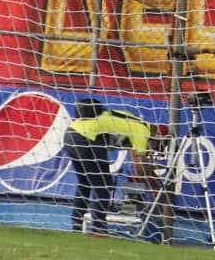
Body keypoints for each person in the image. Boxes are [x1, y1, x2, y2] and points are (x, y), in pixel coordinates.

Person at [64, 100, 154, 235]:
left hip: (71, 133)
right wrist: (152, 181)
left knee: (85, 183)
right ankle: (99, 229)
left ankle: (76, 224)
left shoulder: (132, 119)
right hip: (88, 137)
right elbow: (140, 166)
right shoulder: (143, 131)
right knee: (103, 185)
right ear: (155, 135)